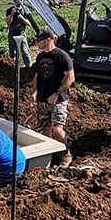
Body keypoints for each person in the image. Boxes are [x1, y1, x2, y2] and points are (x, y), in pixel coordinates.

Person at [29, 28, 75, 164]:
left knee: (57, 128)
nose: (36, 42)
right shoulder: (40, 57)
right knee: (46, 128)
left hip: (58, 100)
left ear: (48, 39)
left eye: (39, 40)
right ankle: (49, 155)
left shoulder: (62, 56)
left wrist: (57, 93)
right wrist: (33, 93)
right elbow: (37, 76)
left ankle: (66, 153)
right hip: (43, 98)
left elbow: (70, 78)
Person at [6, 0, 32, 67]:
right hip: (12, 34)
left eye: (22, 0)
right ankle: (13, 67)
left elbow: (29, 24)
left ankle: (28, 66)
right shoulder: (9, 9)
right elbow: (8, 23)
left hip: (22, 34)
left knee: (25, 52)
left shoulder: (25, 9)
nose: (21, 2)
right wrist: (12, 14)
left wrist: (22, 18)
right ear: (15, 1)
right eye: (19, 0)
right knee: (12, 53)